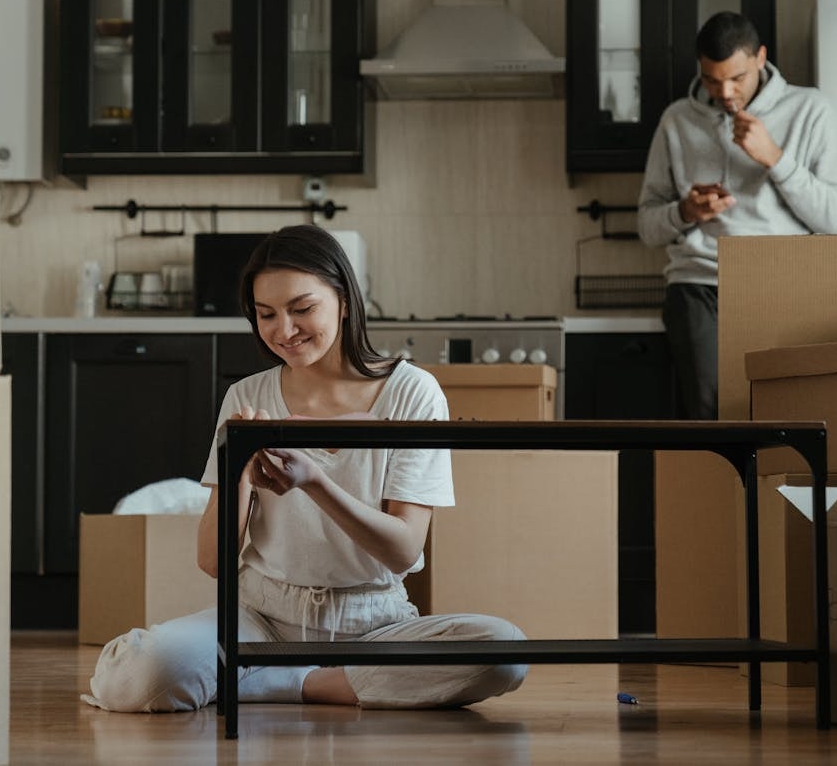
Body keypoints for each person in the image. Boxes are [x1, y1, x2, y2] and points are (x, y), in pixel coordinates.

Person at [82, 225, 527, 712]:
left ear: (345, 300)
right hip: (261, 617)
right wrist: (242, 471)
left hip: (377, 624)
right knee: (140, 676)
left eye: (302, 308)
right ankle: (332, 683)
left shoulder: (413, 392)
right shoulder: (246, 396)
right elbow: (212, 560)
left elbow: (403, 550)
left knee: (503, 651)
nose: (284, 330)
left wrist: (313, 481)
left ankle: (279, 683)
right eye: (266, 314)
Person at [637, 11, 837, 420]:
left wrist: (774, 158)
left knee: (789, 418)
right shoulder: (676, 120)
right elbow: (647, 227)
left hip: (786, 284)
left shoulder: (811, 109)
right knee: (712, 422)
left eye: (737, 78)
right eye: (712, 80)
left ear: (760, 58)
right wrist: (686, 211)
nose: (726, 92)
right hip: (699, 286)